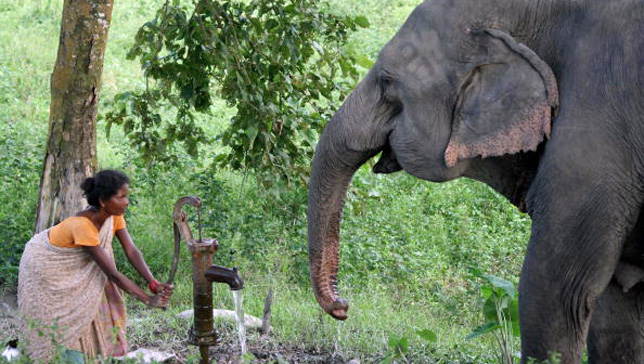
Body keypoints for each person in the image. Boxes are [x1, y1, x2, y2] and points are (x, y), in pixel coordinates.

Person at [17, 170, 173, 362]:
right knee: (57, 320)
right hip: (44, 265)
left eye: (127, 196)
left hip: (65, 260)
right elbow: (112, 275)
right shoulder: (82, 226)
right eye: (121, 197)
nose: (127, 202)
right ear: (102, 201)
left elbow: (131, 251)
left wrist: (153, 284)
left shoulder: (113, 216)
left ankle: (88, 353)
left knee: (90, 305)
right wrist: (148, 300)